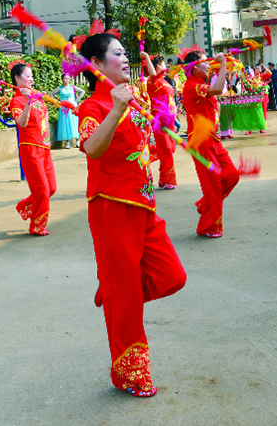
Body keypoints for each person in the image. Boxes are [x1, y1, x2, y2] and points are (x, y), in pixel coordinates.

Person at [77, 33, 186, 398]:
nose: (126, 59)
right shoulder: (92, 106)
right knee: (125, 299)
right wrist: (116, 109)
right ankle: (131, 375)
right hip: (112, 207)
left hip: (144, 205)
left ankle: (115, 288)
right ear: (96, 65)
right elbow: (92, 148)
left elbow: (149, 135)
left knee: (172, 275)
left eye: (125, 53)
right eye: (118, 53)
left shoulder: (133, 96)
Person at [182, 50, 240, 238]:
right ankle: (208, 227)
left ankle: (206, 204)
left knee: (231, 175)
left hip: (213, 139)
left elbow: (216, 100)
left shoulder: (202, 85)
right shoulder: (192, 86)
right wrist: (222, 64)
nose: (208, 65)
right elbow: (217, 89)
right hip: (201, 141)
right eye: (204, 62)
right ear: (194, 67)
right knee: (213, 185)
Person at [9, 62, 56, 235]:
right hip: (30, 149)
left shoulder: (37, 97)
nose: (31, 79)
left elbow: (44, 118)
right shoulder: (16, 101)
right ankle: (37, 226)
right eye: (28, 76)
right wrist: (28, 101)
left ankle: (25, 206)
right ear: (17, 78)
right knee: (42, 190)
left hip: (44, 148)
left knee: (51, 188)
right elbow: (21, 123)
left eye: (32, 76)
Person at [146, 55, 178, 188]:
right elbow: (153, 74)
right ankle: (168, 180)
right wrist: (146, 57)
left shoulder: (165, 81)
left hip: (170, 120)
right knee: (166, 150)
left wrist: (175, 112)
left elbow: (171, 99)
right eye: (164, 64)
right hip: (159, 120)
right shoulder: (152, 81)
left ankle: (145, 152)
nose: (166, 66)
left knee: (171, 148)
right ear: (158, 66)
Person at [50, 75, 83, 149]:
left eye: (68, 78)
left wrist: (76, 100)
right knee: (65, 123)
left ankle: (77, 141)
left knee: (74, 122)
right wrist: (57, 101)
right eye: (65, 78)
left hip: (73, 106)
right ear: (62, 79)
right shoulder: (60, 88)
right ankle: (67, 142)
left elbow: (82, 91)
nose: (67, 80)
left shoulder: (72, 87)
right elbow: (50, 94)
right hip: (64, 107)